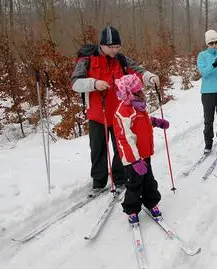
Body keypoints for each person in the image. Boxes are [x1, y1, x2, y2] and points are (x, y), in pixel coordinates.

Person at [71, 26, 160, 196]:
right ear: (102, 45)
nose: (114, 50)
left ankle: (120, 179)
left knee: (121, 148)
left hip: (120, 114)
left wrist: (150, 77)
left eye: (117, 47)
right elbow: (75, 83)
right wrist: (94, 83)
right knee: (98, 149)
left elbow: (137, 71)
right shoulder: (87, 60)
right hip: (97, 114)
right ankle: (98, 182)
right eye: (111, 47)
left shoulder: (121, 59)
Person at [112, 74, 169, 223]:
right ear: (132, 92)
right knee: (134, 183)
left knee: (149, 180)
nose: (142, 92)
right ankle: (132, 209)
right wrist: (135, 160)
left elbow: (142, 123)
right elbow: (125, 138)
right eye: (139, 90)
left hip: (144, 153)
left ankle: (152, 202)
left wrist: (155, 122)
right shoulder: (123, 111)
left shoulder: (138, 105)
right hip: (133, 158)